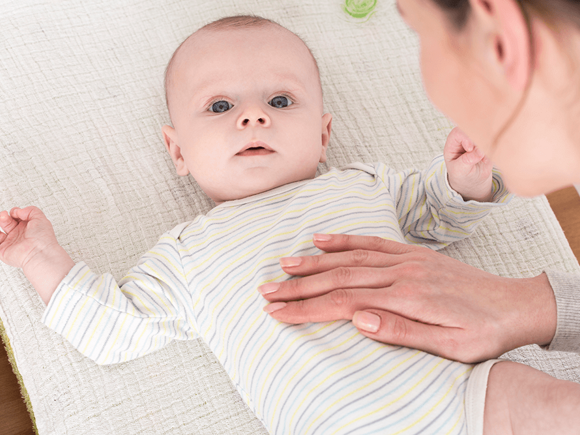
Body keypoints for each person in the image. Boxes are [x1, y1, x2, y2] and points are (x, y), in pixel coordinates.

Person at [0, 14, 549, 435]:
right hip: (335, 422)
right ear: (178, 151)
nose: (253, 116)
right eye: (218, 106)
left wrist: (466, 176)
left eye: (281, 100)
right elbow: (114, 328)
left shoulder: (364, 184)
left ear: (324, 133)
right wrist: (38, 256)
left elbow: (437, 216)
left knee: (543, 401)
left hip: (466, 388)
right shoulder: (190, 253)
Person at [258, 0, 580, 433]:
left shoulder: (362, 183)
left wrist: (458, 188)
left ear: (500, 40)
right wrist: (537, 306)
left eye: (419, 33)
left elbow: (431, 208)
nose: (253, 118)